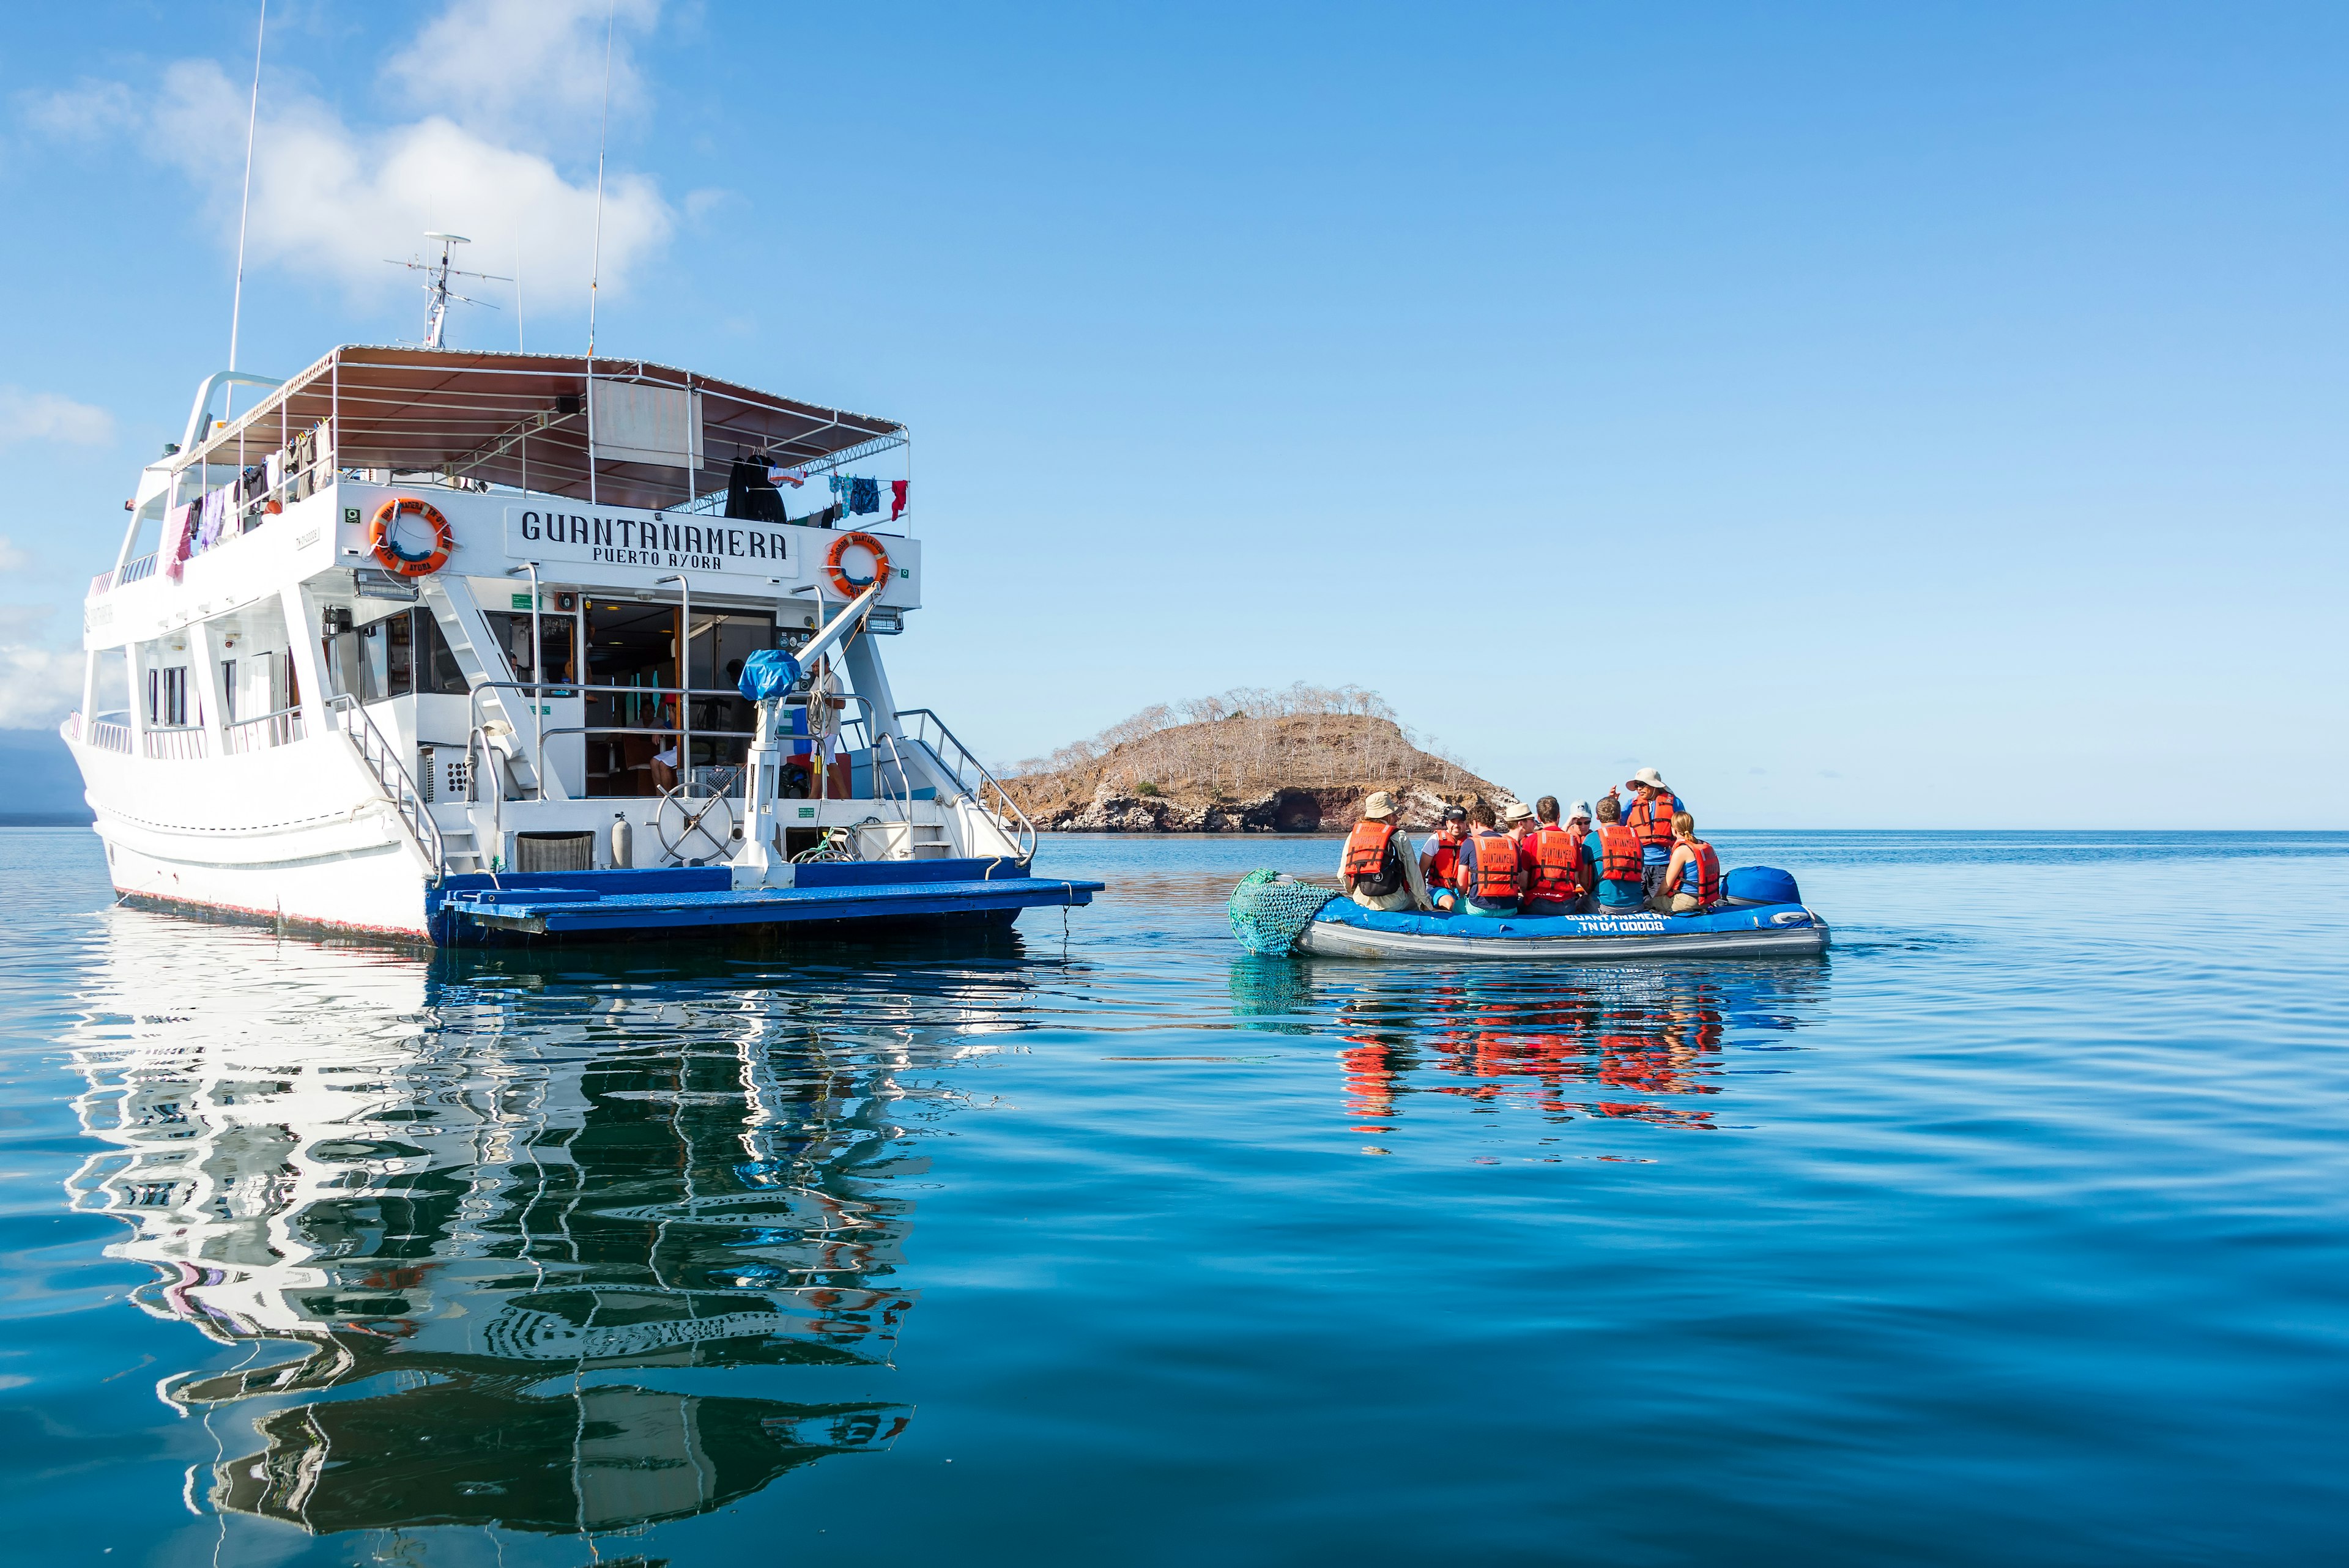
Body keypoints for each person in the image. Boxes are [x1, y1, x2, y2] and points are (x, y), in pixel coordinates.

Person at [1603, 767, 1686, 903]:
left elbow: (1684, 830)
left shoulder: (1674, 803)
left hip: (1663, 864)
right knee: (1637, 900)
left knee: (1658, 901)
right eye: (1636, 786)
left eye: (1641, 785)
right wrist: (1612, 803)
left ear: (1654, 786)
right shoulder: (1631, 804)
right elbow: (1613, 824)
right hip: (1638, 865)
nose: (1638, 789)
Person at [1339, 791, 1431, 912]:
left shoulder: (1354, 836)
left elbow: (1341, 875)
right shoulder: (1399, 836)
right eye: (1393, 814)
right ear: (1386, 816)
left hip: (1361, 901)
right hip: (1395, 903)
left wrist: (1354, 892)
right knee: (1417, 902)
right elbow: (1413, 874)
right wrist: (1425, 903)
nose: (1397, 818)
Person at [1519, 796, 1588, 917]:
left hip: (1536, 904)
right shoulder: (1573, 841)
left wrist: (1529, 897)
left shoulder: (1531, 841)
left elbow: (1523, 882)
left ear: (1539, 818)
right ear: (1559, 815)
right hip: (1566, 906)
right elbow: (1577, 877)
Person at [1453, 799, 1522, 917]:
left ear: (1474, 823)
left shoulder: (1470, 843)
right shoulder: (1513, 844)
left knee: (1455, 906)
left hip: (1479, 908)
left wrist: (1462, 896)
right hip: (1510, 909)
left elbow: (1461, 883)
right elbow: (1519, 879)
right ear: (1493, 824)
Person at [1584, 794, 1649, 911]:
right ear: (1619, 815)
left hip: (1604, 905)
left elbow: (1583, 879)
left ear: (1598, 817)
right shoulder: (1636, 838)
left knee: (1578, 904)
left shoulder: (1591, 839)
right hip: (1636, 905)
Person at [1653, 810, 1723, 914]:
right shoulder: (1703, 845)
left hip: (1687, 901)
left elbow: (1667, 885)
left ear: (1674, 829)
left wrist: (1657, 898)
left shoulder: (1682, 850)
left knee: (1648, 903)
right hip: (1705, 901)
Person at [1420, 806, 1468, 912]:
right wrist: (1423, 898)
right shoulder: (1435, 840)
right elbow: (1421, 872)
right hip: (1438, 889)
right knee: (1450, 904)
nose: (1456, 825)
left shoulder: (1471, 843)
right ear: (1447, 824)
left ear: (1466, 825)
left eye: (1460, 822)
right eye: (1453, 821)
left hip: (1464, 891)